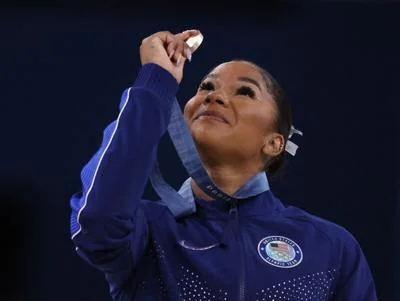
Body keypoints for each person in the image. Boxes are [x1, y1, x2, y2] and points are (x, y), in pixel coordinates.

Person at [69, 29, 377, 301]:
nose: (214, 97)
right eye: (205, 87)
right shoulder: (149, 230)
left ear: (274, 142)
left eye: (245, 91)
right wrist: (155, 82)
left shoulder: (330, 247)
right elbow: (96, 221)